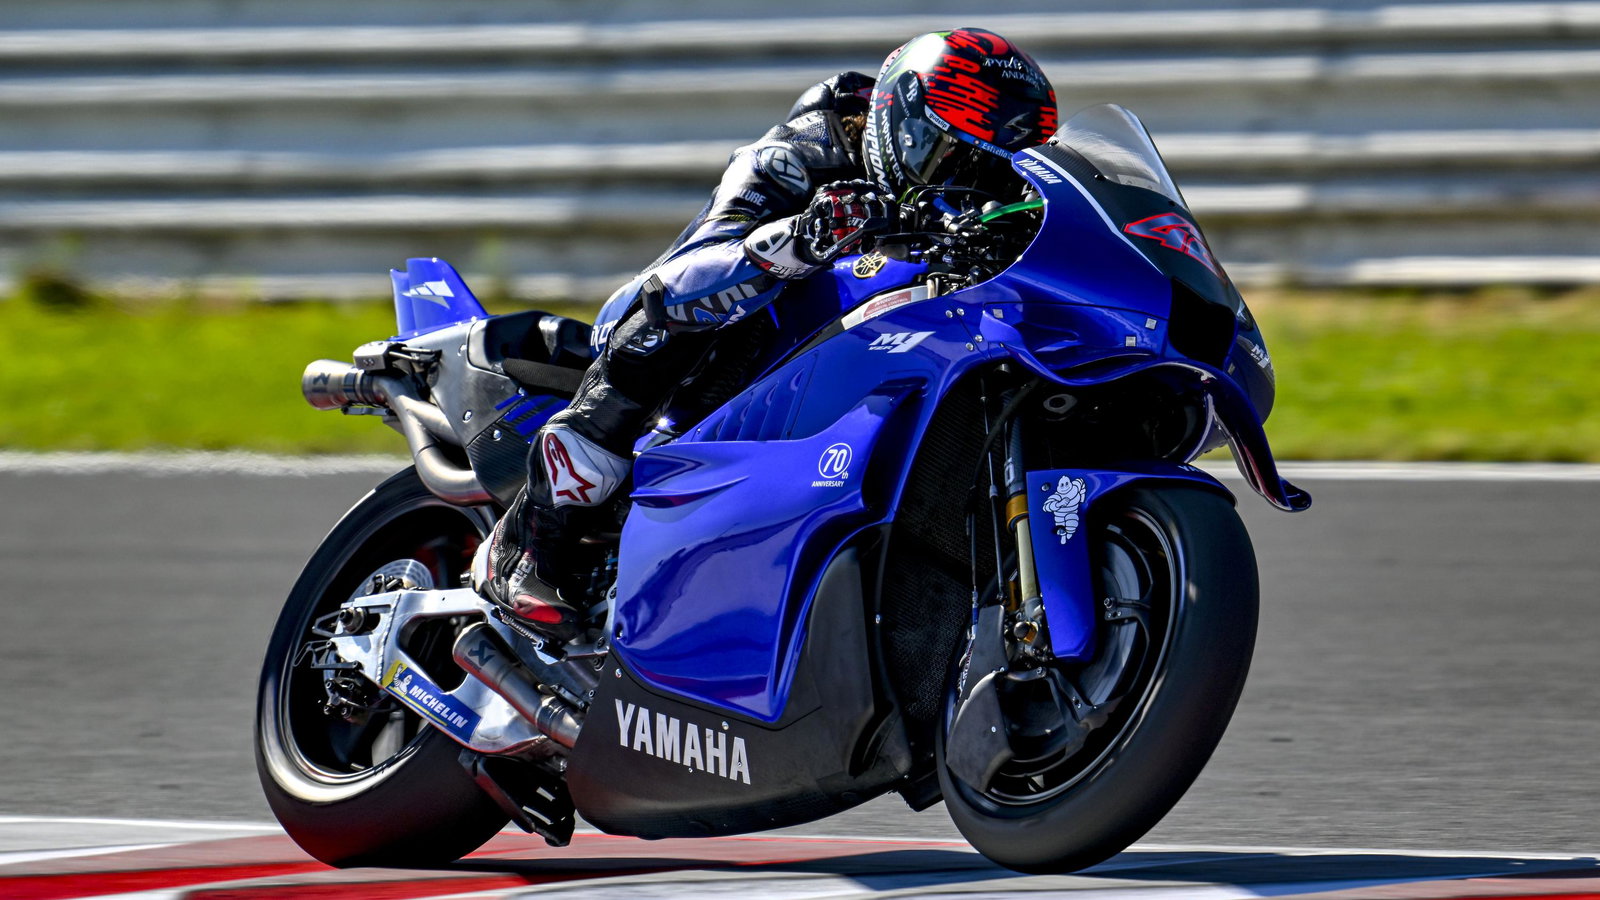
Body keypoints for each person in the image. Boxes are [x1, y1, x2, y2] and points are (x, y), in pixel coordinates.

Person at [474, 28, 1060, 640]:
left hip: (865, 372)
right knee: (701, 307)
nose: (964, 184)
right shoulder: (806, 150)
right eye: (948, 155)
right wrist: (802, 239)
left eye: (989, 170)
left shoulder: (998, 210)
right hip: (693, 344)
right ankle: (531, 536)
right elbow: (677, 282)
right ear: (897, 121)